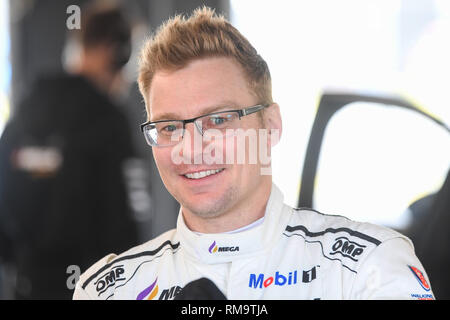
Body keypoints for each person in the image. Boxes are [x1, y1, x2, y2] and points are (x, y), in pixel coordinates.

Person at [73, 7, 434, 300]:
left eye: (217, 120)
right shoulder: (109, 290)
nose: (191, 148)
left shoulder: (368, 268)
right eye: (169, 127)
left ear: (271, 126)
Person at [0, 4, 138, 299]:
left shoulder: (26, 109)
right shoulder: (108, 119)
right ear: (114, 51)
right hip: (97, 287)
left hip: (28, 285)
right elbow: (124, 222)